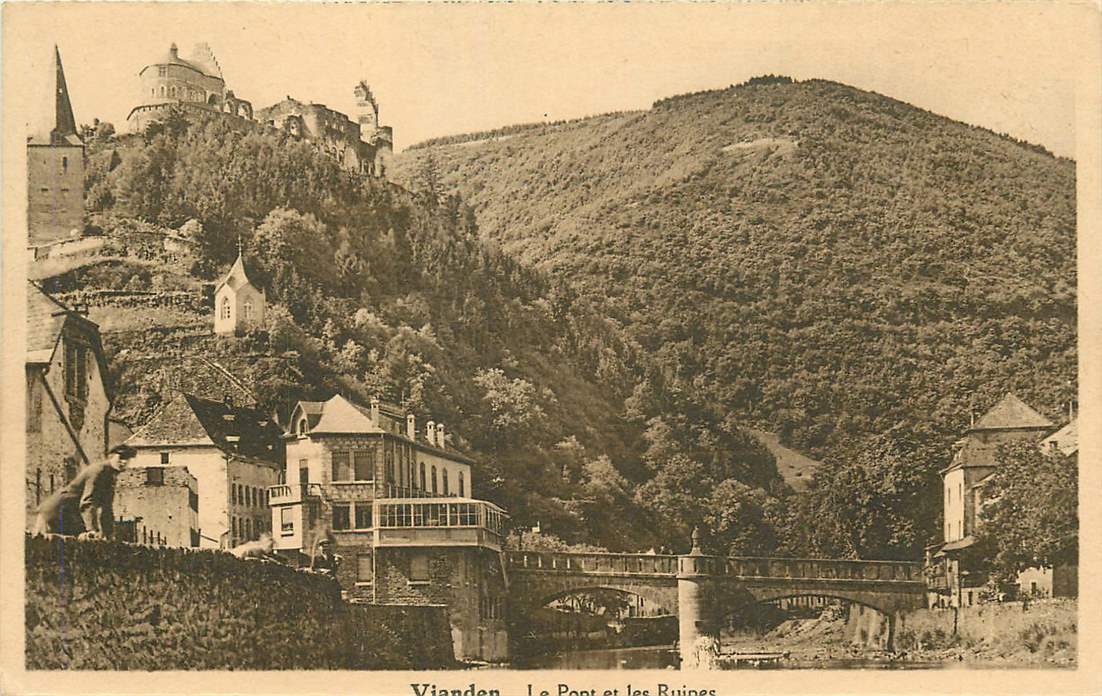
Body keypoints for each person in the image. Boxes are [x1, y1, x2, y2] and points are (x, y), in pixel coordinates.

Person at [33, 444, 136, 539]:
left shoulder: (111, 476)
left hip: (71, 516)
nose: (124, 462)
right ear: (111, 456)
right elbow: (88, 501)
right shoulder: (98, 471)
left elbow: (107, 508)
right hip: (55, 512)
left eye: (128, 459)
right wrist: (92, 529)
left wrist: (109, 534)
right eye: (121, 457)